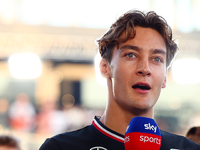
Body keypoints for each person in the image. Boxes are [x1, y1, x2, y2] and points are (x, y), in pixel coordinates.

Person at [39, 10, 200, 150]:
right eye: (131, 55)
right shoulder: (61, 147)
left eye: (156, 59)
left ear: (165, 77)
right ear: (104, 67)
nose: (145, 68)